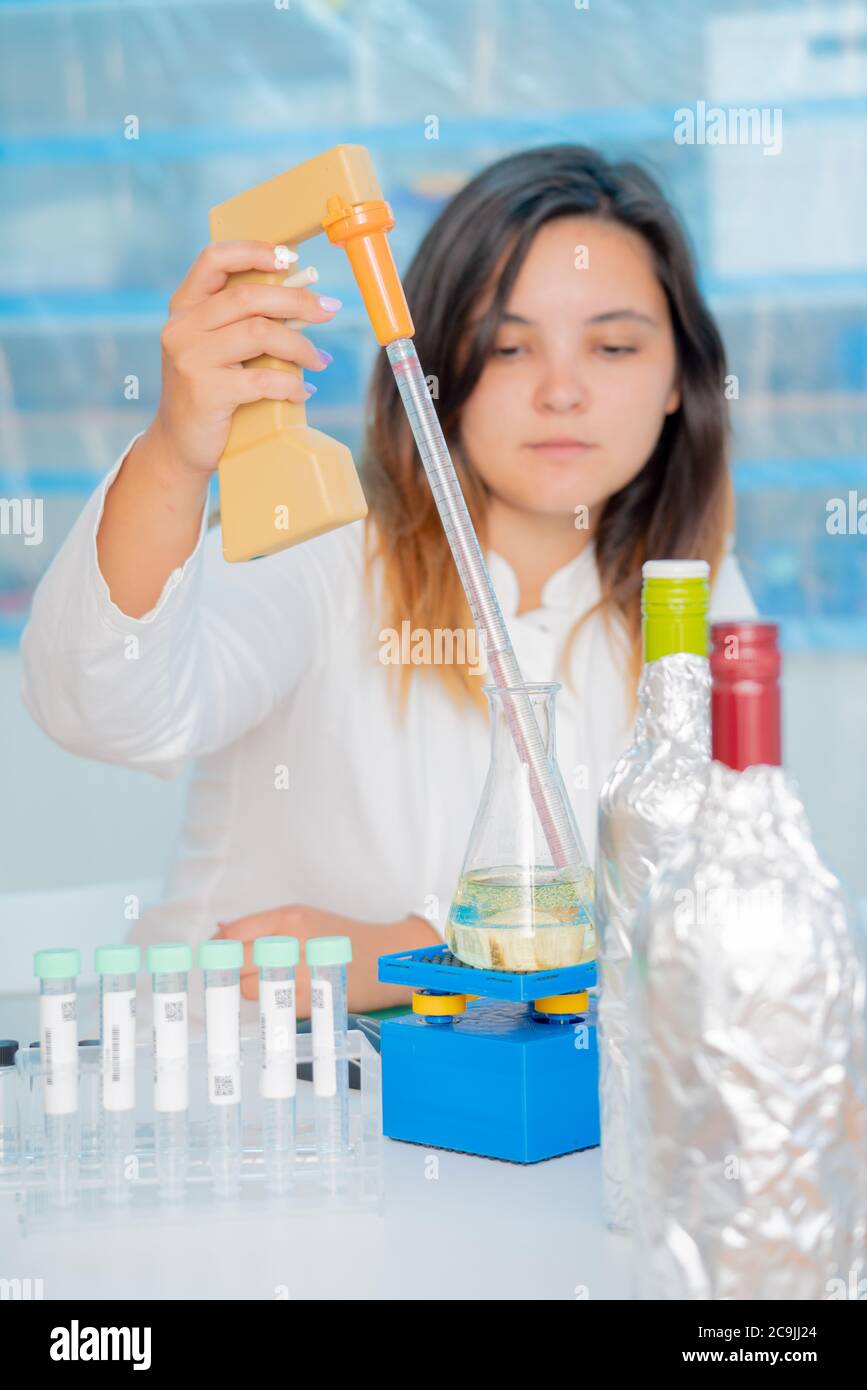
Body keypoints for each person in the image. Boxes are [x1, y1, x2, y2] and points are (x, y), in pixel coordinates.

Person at [21, 145, 756, 1029]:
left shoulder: (693, 595)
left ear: (678, 377)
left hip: (552, 1142)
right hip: (247, 1104)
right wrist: (179, 451)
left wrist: (416, 952)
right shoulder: (321, 545)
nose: (562, 390)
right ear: (438, 370)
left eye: (611, 345)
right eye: (509, 345)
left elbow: (725, 917)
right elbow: (108, 707)